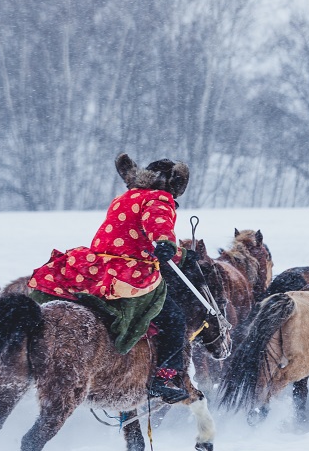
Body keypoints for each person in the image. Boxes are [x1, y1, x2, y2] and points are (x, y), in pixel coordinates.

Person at [28, 153, 196, 404]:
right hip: (128, 274)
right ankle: (164, 379)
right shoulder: (160, 198)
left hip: (96, 267)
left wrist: (180, 254)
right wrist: (167, 244)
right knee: (174, 319)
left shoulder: (124, 198)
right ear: (173, 185)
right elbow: (157, 226)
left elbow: (133, 235)